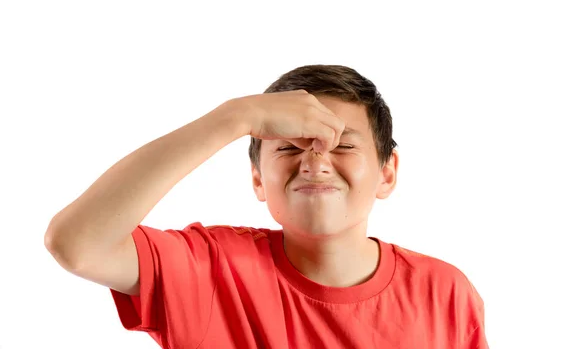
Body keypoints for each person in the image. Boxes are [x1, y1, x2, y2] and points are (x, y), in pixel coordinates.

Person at [45, 65, 489, 348]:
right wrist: (235, 117)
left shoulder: (443, 293)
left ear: (387, 173)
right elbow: (76, 243)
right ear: (258, 178)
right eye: (288, 148)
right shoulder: (211, 271)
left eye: (343, 146)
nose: (315, 161)